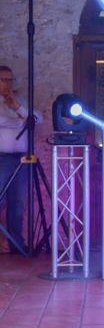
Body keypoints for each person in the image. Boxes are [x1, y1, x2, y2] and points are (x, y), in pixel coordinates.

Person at [0, 65, 43, 255]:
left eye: (10, 80)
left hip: (21, 160)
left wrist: (18, 107)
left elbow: (37, 119)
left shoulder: (20, 100)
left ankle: (15, 245)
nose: (8, 84)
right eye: (4, 79)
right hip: (1, 159)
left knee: (17, 203)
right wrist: (19, 121)